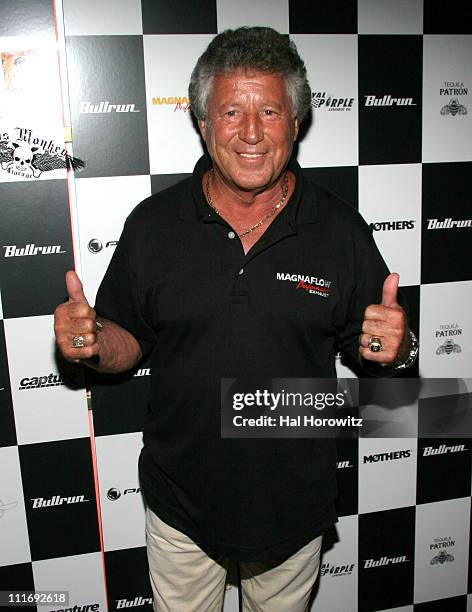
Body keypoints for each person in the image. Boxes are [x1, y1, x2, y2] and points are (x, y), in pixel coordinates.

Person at [54, 27, 417, 612]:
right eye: (230, 112)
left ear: (295, 125)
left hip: (293, 508)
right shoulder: (153, 224)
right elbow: (126, 342)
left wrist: (396, 351)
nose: (251, 133)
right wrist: (93, 342)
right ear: (203, 123)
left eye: (270, 111)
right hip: (180, 505)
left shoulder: (339, 230)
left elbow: (378, 346)